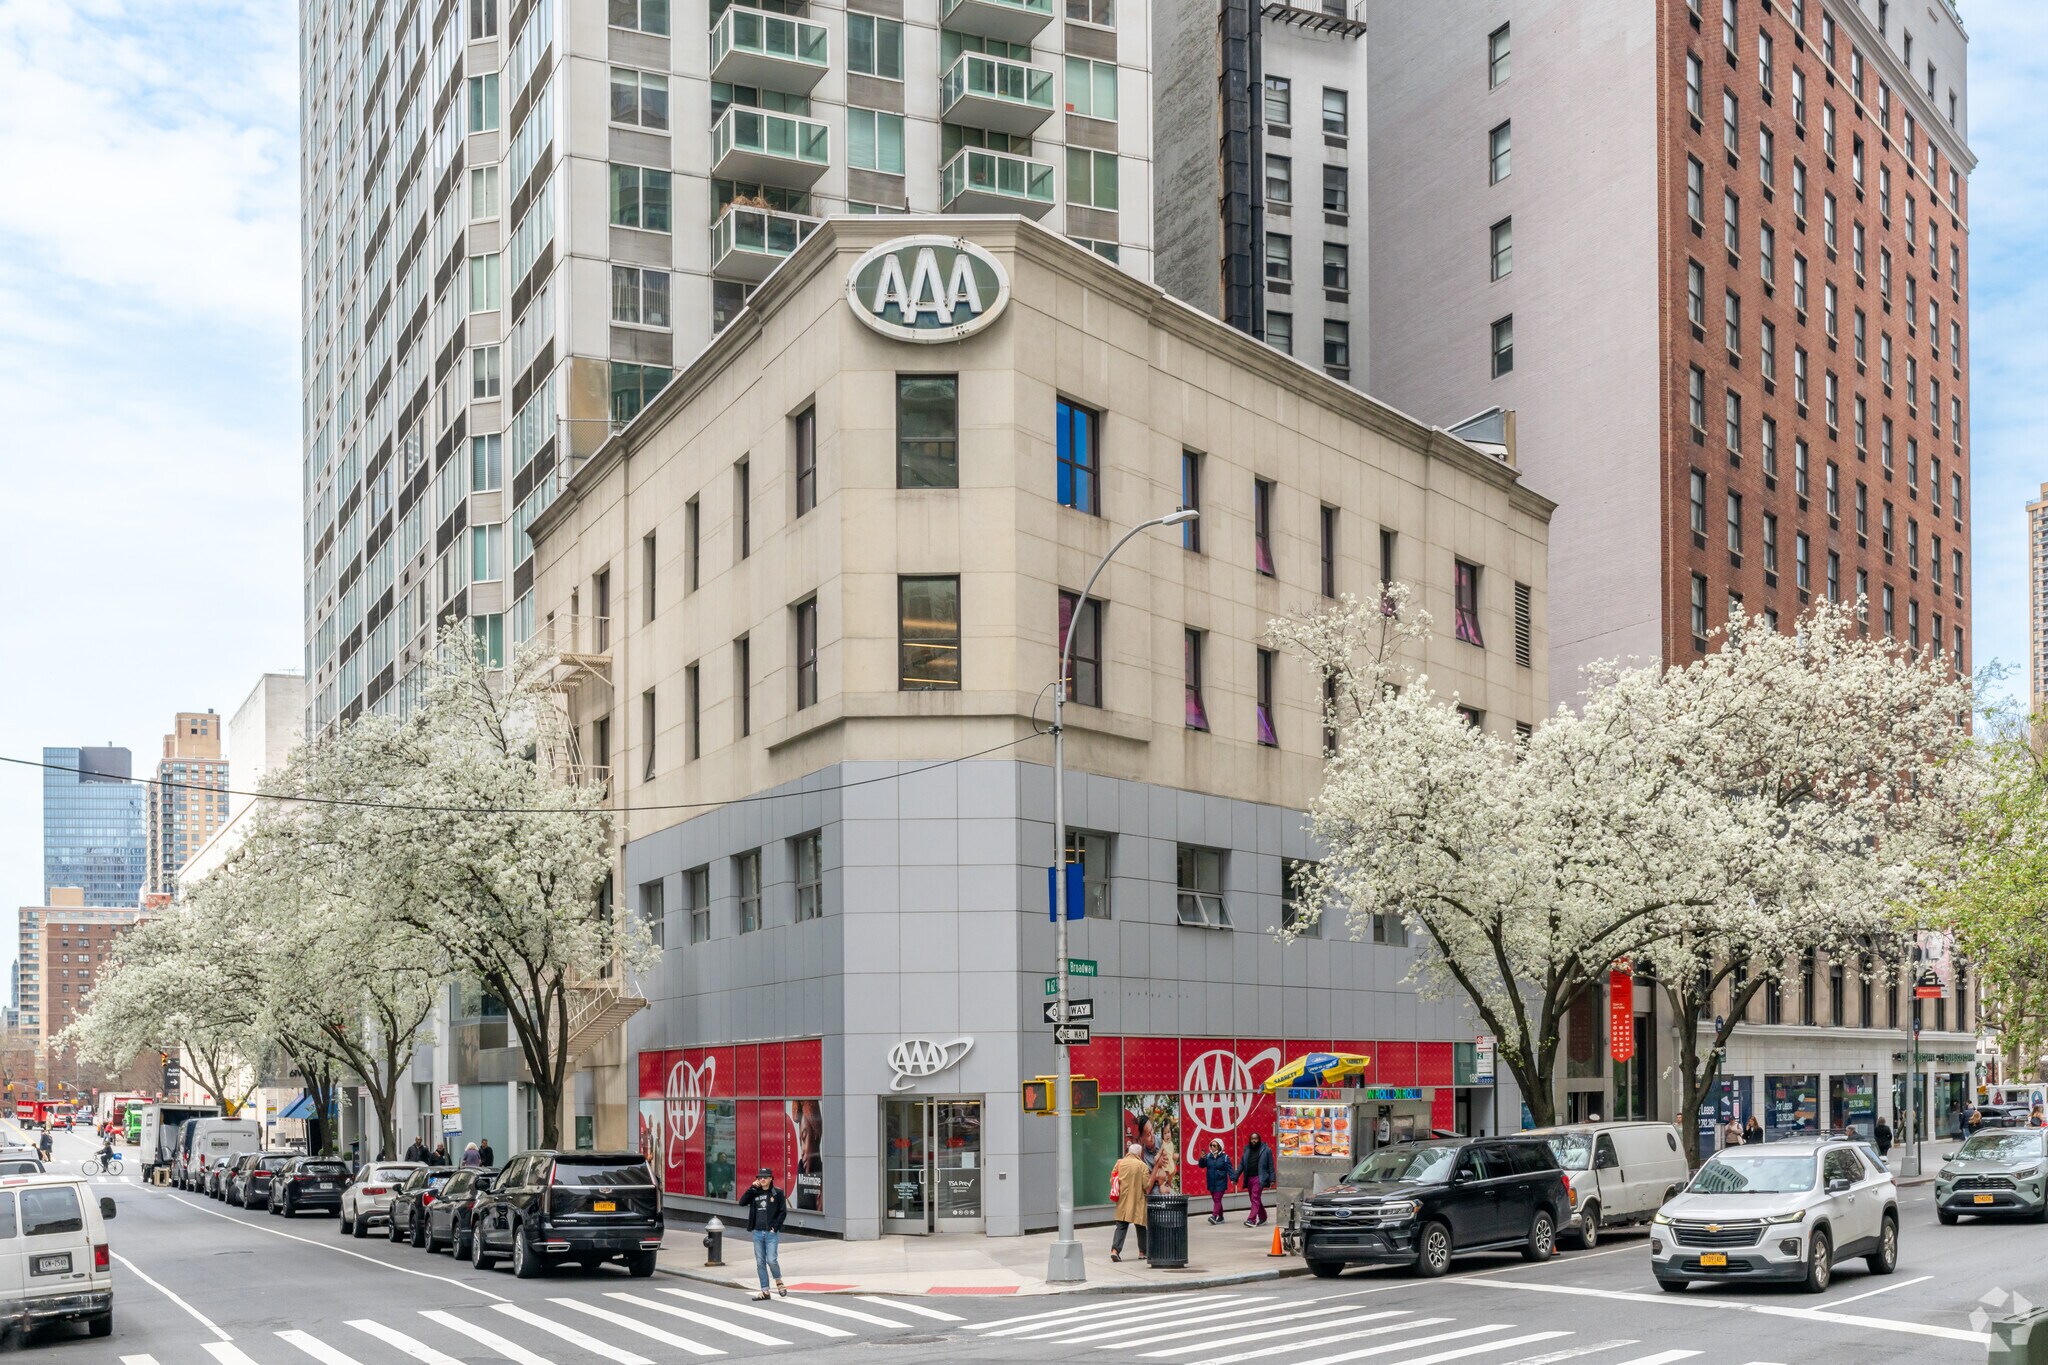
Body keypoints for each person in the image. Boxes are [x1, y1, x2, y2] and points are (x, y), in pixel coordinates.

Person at [740, 1166, 788, 1300]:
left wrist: (775, 1227)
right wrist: (752, 1188)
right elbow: (742, 1202)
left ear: (771, 1178)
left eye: (765, 1177)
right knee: (760, 1262)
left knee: (771, 1260)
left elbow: (782, 1212)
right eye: (760, 1177)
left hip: (770, 1233)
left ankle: (778, 1281)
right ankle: (765, 1291)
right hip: (757, 1232)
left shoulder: (777, 1193)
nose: (762, 1179)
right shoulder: (755, 1192)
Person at [1110, 1144, 1151, 1262]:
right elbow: (1146, 1185)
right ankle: (1143, 1252)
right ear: (1139, 1154)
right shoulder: (1142, 1166)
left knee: (1121, 1226)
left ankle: (1115, 1251)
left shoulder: (1120, 1163)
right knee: (1141, 1227)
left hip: (1122, 1201)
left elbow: (1112, 1180)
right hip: (1137, 1200)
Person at [1239, 1131, 1276, 1227]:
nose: (1254, 1140)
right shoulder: (1247, 1150)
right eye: (1252, 1139)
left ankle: (1251, 1220)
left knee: (1255, 1197)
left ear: (1259, 1139)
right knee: (1254, 1199)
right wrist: (1235, 1176)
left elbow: (1271, 1165)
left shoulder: (1266, 1150)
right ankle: (1263, 1217)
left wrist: (1272, 1179)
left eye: (1255, 1138)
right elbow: (1242, 1165)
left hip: (1260, 1178)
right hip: (1249, 1178)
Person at [1197, 1140, 1233, 1225]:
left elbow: (1230, 1170)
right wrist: (1202, 1158)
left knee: (1217, 1199)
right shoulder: (1208, 1156)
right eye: (1211, 1145)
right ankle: (1221, 1217)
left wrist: (1233, 1179)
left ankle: (1214, 1216)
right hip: (1211, 1182)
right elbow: (1201, 1165)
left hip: (1221, 1182)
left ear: (1219, 1147)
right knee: (1216, 1200)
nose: (1212, 1147)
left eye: (1214, 1146)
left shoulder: (1225, 1157)